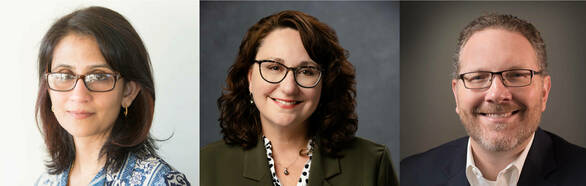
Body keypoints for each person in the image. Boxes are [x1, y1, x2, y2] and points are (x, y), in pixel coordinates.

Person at [201, 10, 398, 186]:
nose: (289, 88)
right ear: (250, 78)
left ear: (326, 82)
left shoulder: (372, 164)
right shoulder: (207, 165)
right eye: (274, 68)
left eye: (306, 71)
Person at [400, 13, 586, 186]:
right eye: (478, 77)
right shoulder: (407, 176)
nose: (496, 94)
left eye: (517, 75)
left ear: (544, 91)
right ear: (456, 95)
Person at [34, 6, 190, 185]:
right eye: (64, 75)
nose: (78, 95)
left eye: (99, 76)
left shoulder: (161, 181)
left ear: (128, 91)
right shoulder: (46, 182)